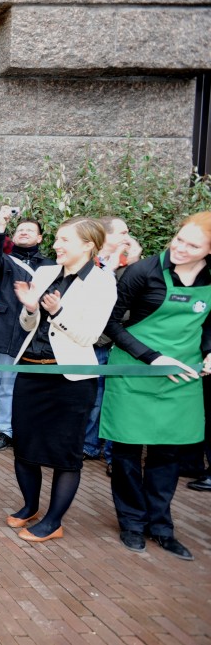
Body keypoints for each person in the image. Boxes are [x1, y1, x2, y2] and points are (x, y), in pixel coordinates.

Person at [101, 212, 211, 561]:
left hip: (183, 378)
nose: (180, 247)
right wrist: (152, 357)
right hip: (134, 371)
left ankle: (161, 526)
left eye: (193, 245)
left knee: (168, 454)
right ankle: (132, 523)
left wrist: (210, 351)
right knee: (128, 453)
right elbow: (111, 323)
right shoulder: (143, 272)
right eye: (179, 239)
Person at [5, 218, 117, 543]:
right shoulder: (44, 273)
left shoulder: (101, 282)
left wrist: (58, 312)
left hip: (70, 380)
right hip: (30, 371)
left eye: (65, 240)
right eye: (56, 239)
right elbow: (29, 326)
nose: (57, 245)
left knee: (65, 451)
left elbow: (90, 336)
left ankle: (53, 522)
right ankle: (30, 507)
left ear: (88, 244)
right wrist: (29, 308)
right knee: (24, 444)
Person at [0, 208, 54, 451]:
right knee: (5, 382)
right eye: (20, 230)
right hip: (4, 329)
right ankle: (6, 430)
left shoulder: (51, 265)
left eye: (30, 230)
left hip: (37, 334)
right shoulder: (4, 260)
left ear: (40, 238)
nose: (24, 233)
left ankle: (30, 429)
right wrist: (1, 226)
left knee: (33, 385)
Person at [82, 216, 142, 475]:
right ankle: (88, 445)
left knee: (112, 399)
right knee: (91, 398)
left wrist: (132, 263)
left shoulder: (130, 267)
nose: (128, 238)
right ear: (103, 236)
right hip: (90, 341)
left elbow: (126, 306)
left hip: (116, 342)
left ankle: (111, 455)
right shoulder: (87, 263)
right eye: (123, 233)